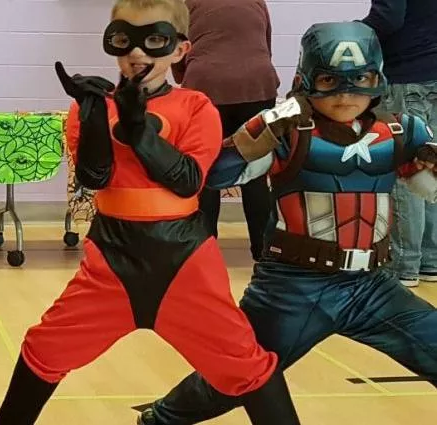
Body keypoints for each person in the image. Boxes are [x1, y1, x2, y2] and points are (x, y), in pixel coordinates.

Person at [0, 1, 300, 424]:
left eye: (154, 40)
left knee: (245, 364)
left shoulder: (196, 107)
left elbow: (189, 181)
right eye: (125, 39)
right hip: (111, 261)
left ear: (180, 50)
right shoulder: (96, 104)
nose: (138, 52)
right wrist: (95, 114)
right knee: (45, 349)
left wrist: (139, 132)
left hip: (186, 262)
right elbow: (94, 176)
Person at [139, 21, 437, 425]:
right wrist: (255, 135)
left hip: (370, 285)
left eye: (360, 79)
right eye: (331, 80)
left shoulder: (400, 131)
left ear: (377, 78)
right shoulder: (288, 130)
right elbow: (212, 179)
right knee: (236, 376)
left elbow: (427, 190)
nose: (346, 94)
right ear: (307, 79)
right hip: (293, 289)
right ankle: (160, 418)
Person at [173, 0, 278, 260]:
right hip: (258, 83)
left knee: (204, 171)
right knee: (255, 172)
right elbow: (266, 44)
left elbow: (177, 51)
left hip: (206, 85)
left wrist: (183, 76)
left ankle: (203, 250)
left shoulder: (186, 3)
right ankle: (263, 251)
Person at [362, 0, 437, 287]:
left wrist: (349, 32)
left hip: (407, 78)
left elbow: (388, 17)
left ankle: (405, 263)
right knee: (432, 163)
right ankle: (430, 260)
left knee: (409, 168)